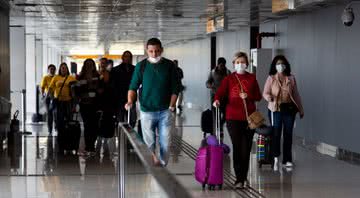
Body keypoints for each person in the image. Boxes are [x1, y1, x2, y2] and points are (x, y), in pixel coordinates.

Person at [125, 38, 179, 167]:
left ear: (162, 50)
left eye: (157, 51)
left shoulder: (170, 65)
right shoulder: (141, 66)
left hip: (165, 110)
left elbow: (176, 88)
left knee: (165, 142)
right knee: (149, 143)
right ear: (147, 51)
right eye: (151, 51)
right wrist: (130, 101)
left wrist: (172, 105)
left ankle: (162, 165)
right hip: (147, 110)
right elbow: (133, 86)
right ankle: (153, 165)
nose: (154, 54)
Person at [213, 52, 262, 188]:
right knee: (237, 146)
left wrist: (249, 95)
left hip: (249, 118)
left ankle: (243, 177)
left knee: (246, 148)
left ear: (247, 63)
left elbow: (258, 96)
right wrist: (216, 100)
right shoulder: (229, 79)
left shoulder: (252, 78)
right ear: (234, 64)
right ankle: (239, 179)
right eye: (237, 62)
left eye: (243, 62)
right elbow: (220, 93)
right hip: (232, 118)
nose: (240, 64)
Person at [263, 55, 304, 171]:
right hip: (275, 109)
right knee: (276, 133)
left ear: (286, 65)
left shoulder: (291, 78)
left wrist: (301, 109)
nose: (280, 66)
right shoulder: (271, 78)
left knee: (288, 134)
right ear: (275, 66)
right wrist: (269, 97)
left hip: (288, 110)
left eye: (282, 63)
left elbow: (296, 95)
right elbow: (265, 92)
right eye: (278, 64)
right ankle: (275, 156)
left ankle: (287, 159)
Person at [73, 59, 101, 156]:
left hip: (95, 104)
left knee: (94, 126)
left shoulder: (97, 76)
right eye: (87, 65)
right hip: (84, 104)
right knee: (87, 125)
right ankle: (88, 146)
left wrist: (96, 89)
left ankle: (92, 145)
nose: (89, 66)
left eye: (91, 64)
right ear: (84, 66)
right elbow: (77, 91)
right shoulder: (80, 76)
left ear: (93, 66)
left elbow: (101, 90)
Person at [48, 63, 77, 153]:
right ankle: (61, 140)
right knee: (59, 121)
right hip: (59, 102)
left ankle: (69, 139)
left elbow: (76, 89)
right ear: (60, 69)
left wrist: (75, 103)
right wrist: (52, 98)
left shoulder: (71, 78)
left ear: (67, 69)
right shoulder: (56, 78)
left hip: (68, 102)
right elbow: (50, 88)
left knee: (69, 120)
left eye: (65, 68)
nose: (63, 69)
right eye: (62, 68)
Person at [110, 51, 136, 126]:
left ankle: (129, 136)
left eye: (129, 57)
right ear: (122, 58)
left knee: (132, 120)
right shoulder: (115, 70)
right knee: (120, 120)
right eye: (126, 56)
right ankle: (120, 136)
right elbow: (113, 85)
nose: (127, 58)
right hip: (119, 99)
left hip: (131, 97)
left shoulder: (135, 69)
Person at [206, 57, 231, 135]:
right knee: (216, 114)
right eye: (220, 65)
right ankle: (217, 129)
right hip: (214, 95)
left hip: (225, 97)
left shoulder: (228, 72)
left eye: (223, 65)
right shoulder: (213, 72)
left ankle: (220, 125)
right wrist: (210, 85)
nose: (221, 67)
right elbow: (207, 82)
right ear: (217, 64)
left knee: (226, 114)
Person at [40, 64, 56, 134]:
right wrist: (43, 94)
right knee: (49, 114)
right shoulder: (45, 78)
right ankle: (50, 129)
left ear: (55, 70)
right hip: (48, 98)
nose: (52, 70)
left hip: (55, 98)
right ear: (48, 70)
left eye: (53, 69)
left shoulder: (57, 77)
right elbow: (42, 87)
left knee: (56, 113)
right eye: (50, 69)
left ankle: (56, 128)